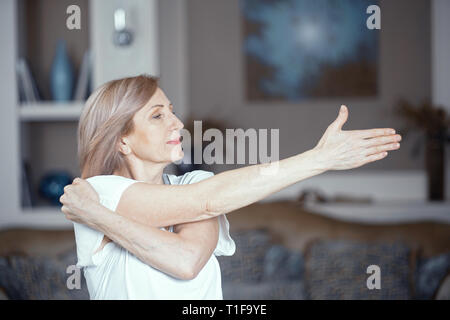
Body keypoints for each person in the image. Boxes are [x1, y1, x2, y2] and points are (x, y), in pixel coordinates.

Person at [59, 74, 402, 300]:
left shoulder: (194, 183)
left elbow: (189, 255)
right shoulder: (98, 192)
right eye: (157, 115)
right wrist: (318, 159)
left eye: (172, 111)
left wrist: (100, 219)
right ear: (122, 141)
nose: (177, 122)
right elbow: (184, 255)